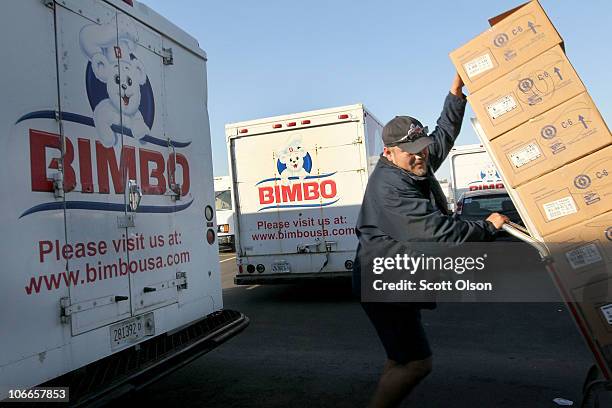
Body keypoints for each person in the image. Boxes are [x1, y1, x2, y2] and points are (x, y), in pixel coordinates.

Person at [353, 73, 509, 408]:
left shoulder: (415, 162)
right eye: (411, 152)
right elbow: (439, 235)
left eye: (421, 148)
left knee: (401, 358)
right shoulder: (390, 188)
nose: (421, 156)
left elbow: (444, 134)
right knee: (417, 363)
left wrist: (455, 93)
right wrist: (488, 227)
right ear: (389, 153)